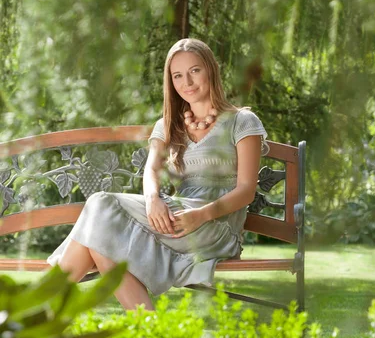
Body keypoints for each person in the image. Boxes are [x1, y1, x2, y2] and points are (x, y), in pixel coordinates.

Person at [47, 38, 269, 310]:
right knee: (100, 239)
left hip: (215, 226)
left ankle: (39, 313)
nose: (186, 81)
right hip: (176, 220)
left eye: (195, 70)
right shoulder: (167, 125)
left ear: (211, 70)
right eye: (177, 75)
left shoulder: (242, 121)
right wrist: (152, 198)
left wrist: (201, 215)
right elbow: (152, 168)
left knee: (100, 205)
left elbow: (246, 190)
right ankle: (149, 331)